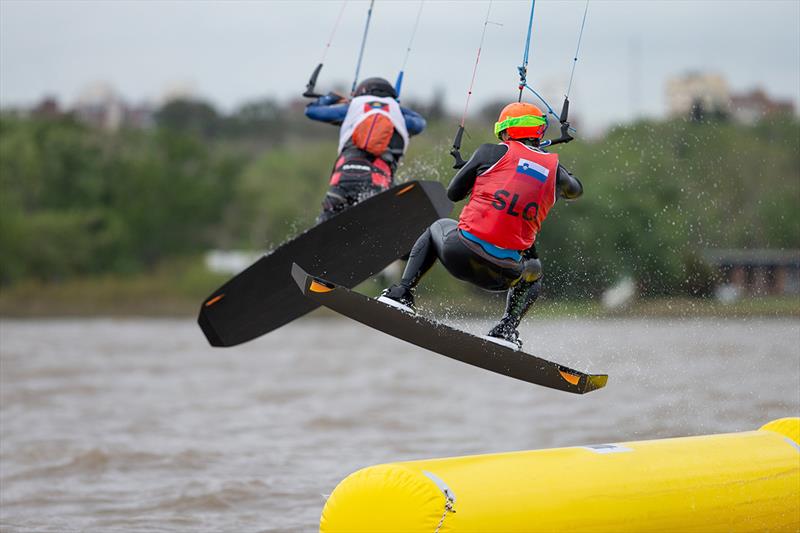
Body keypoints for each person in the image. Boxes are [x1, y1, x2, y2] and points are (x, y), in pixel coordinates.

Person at [379, 102, 583, 349]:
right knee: (535, 269)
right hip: (504, 274)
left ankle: (402, 294)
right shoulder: (556, 172)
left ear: (505, 133)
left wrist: (475, 171)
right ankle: (506, 329)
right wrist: (558, 171)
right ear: (539, 133)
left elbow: (453, 194)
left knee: (438, 225)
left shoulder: (488, 152)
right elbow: (575, 190)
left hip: (459, 254)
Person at [305, 77, 427, 222]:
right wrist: (395, 105)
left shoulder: (353, 107)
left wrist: (330, 97)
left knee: (325, 226)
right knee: (375, 228)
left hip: (342, 181)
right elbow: (420, 123)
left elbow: (311, 111)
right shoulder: (397, 114)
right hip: (377, 183)